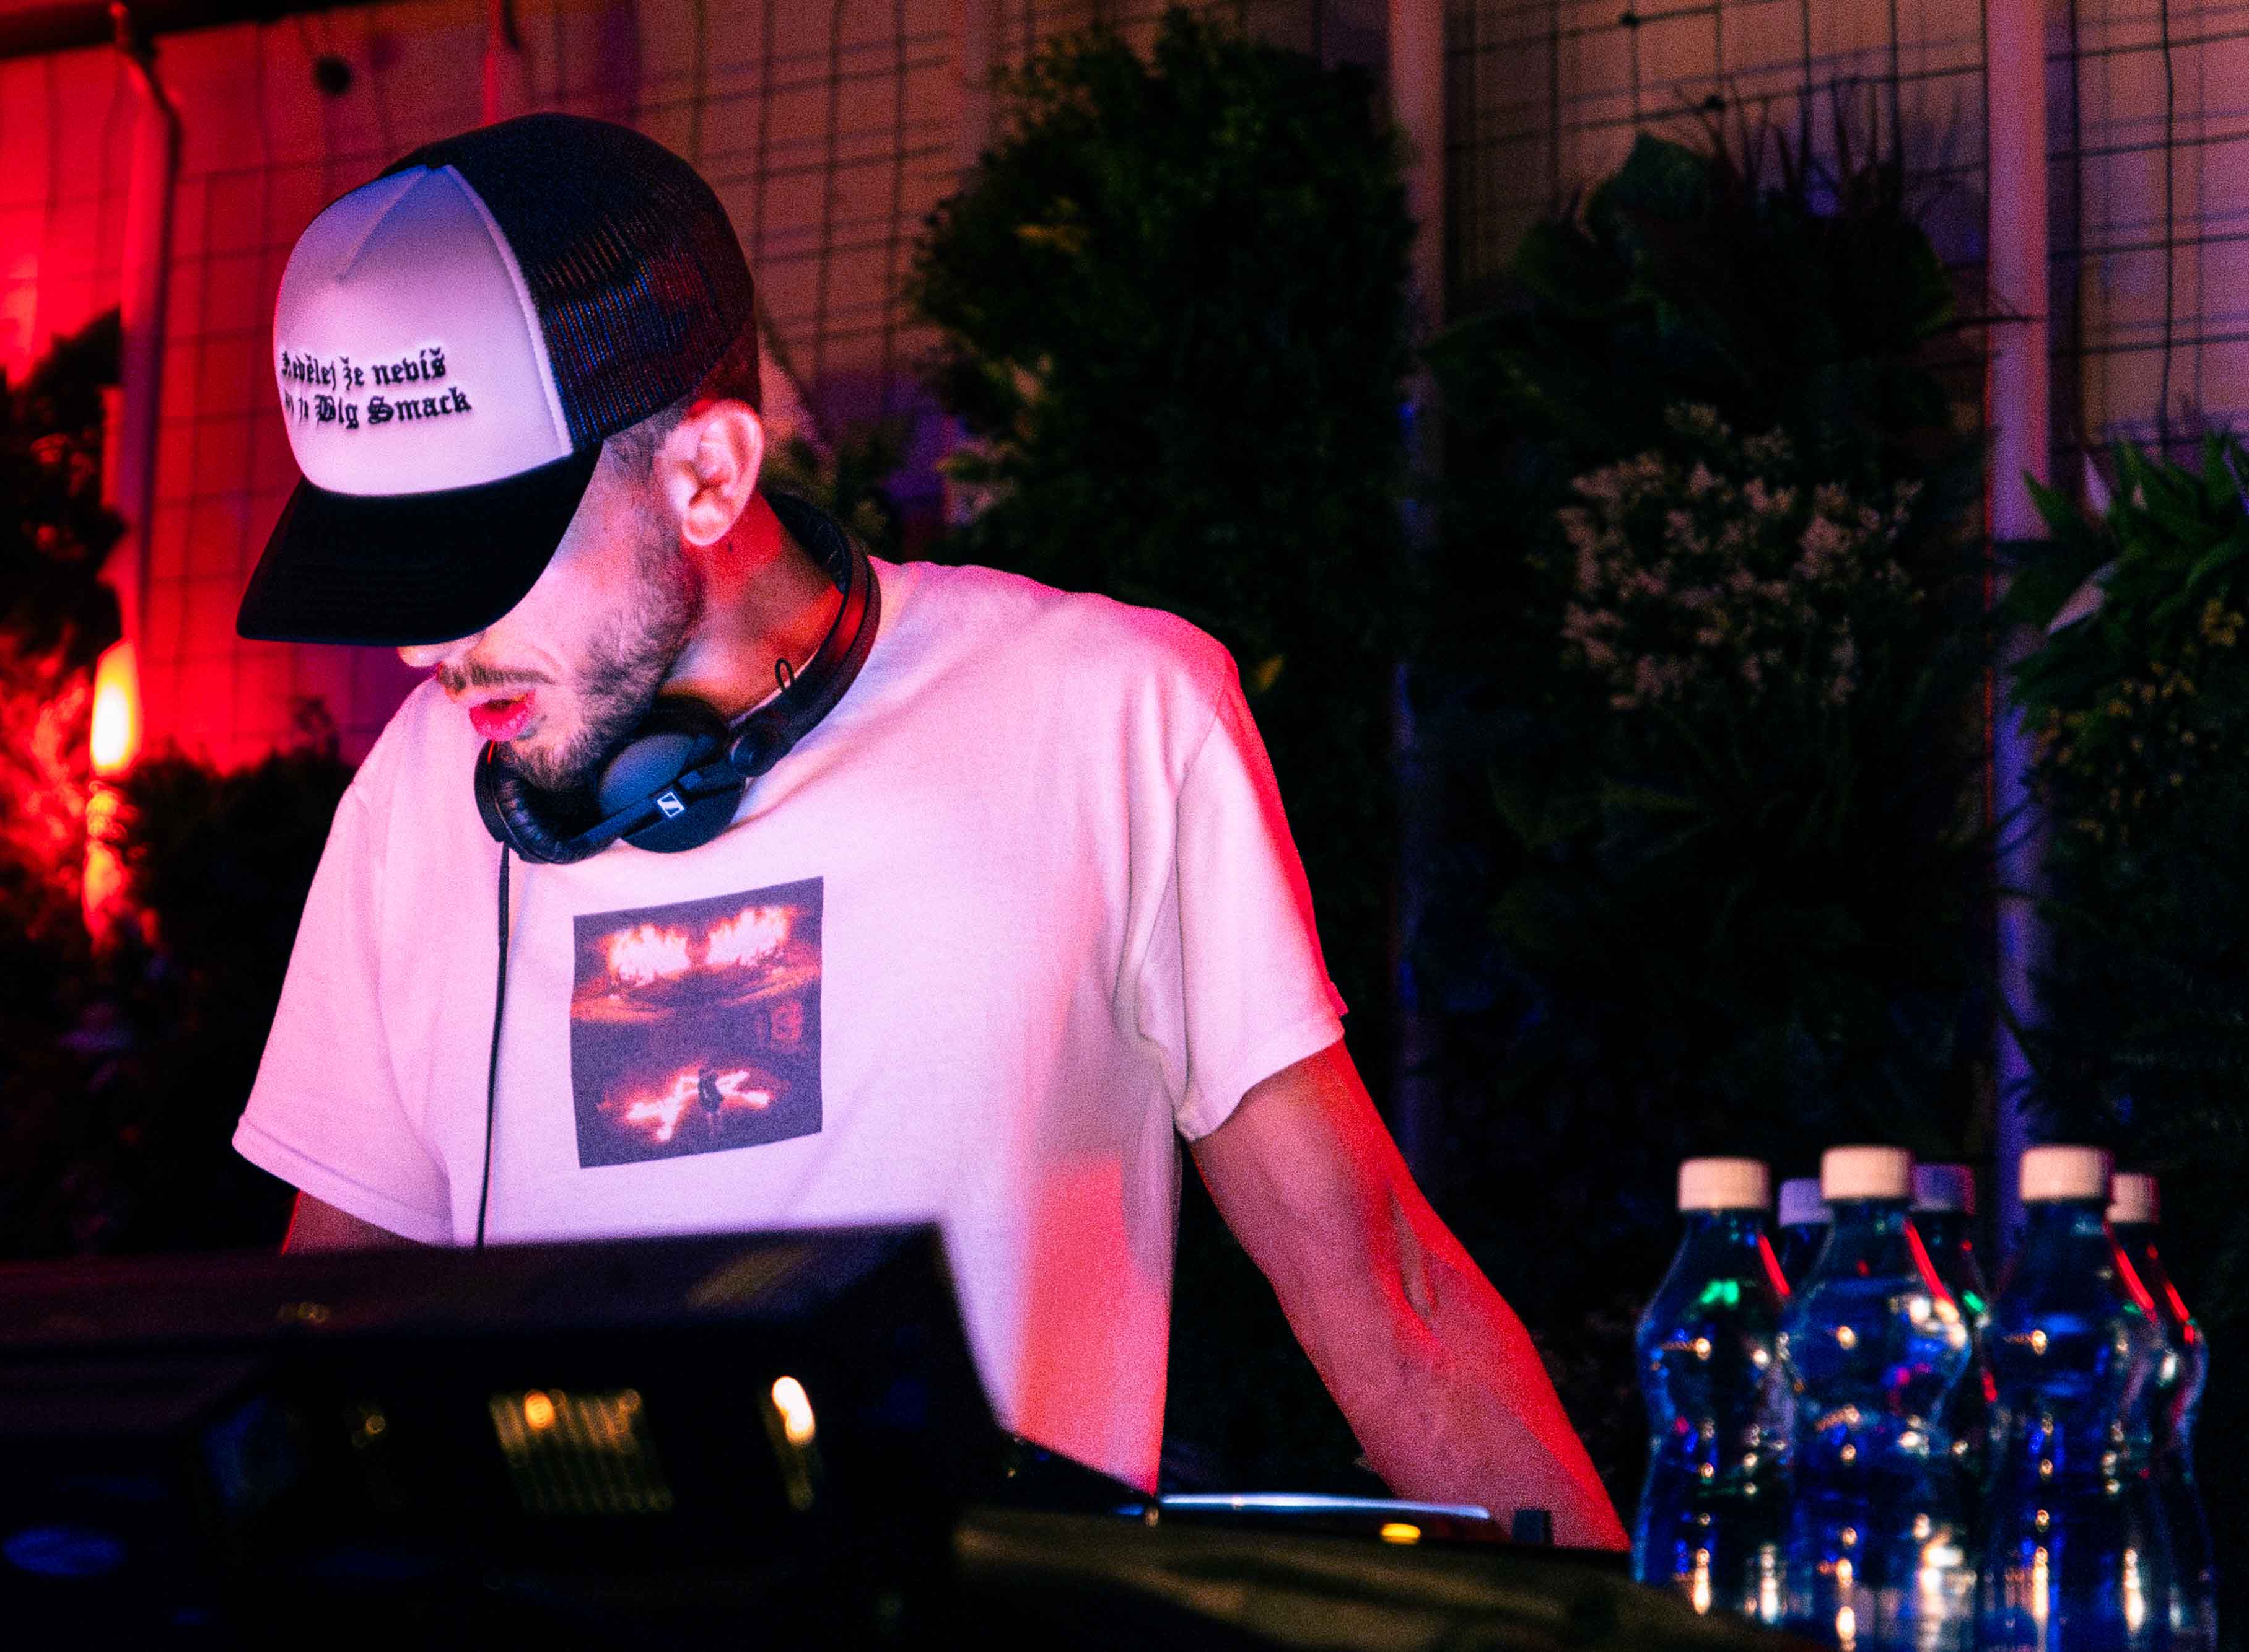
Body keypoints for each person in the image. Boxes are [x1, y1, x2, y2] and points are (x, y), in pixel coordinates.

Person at [231, 112, 1623, 1547]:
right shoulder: (418, 796)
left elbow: (1385, 1305)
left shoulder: (1110, 714)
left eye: (478, 561)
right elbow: (316, 1362)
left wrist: (1632, 1627)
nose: (423, 648)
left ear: (706, 474)